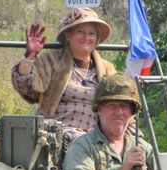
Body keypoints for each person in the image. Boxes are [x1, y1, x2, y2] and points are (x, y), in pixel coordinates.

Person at [11, 7, 116, 135]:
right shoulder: (51, 60)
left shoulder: (107, 69)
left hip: (95, 138)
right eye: (80, 31)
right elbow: (26, 87)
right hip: (56, 136)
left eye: (92, 33)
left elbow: (119, 103)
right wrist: (30, 55)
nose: (86, 37)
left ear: (97, 38)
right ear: (68, 35)